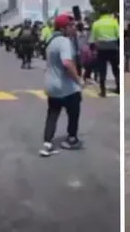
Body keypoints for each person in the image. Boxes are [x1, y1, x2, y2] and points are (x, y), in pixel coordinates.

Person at [39, 14, 83, 157]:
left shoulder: (50, 40)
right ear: (64, 28)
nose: (74, 28)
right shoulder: (64, 41)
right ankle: (71, 138)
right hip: (66, 86)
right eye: (71, 26)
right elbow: (67, 63)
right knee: (74, 110)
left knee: (52, 114)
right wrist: (78, 80)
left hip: (51, 86)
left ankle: (47, 144)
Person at [90, 12, 120, 96]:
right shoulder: (114, 22)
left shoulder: (96, 23)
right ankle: (118, 88)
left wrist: (92, 50)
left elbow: (92, 39)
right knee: (115, 69)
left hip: (101, 48)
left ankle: (103, 91)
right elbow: (119, 36)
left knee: (102, 70)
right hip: (113, 47)